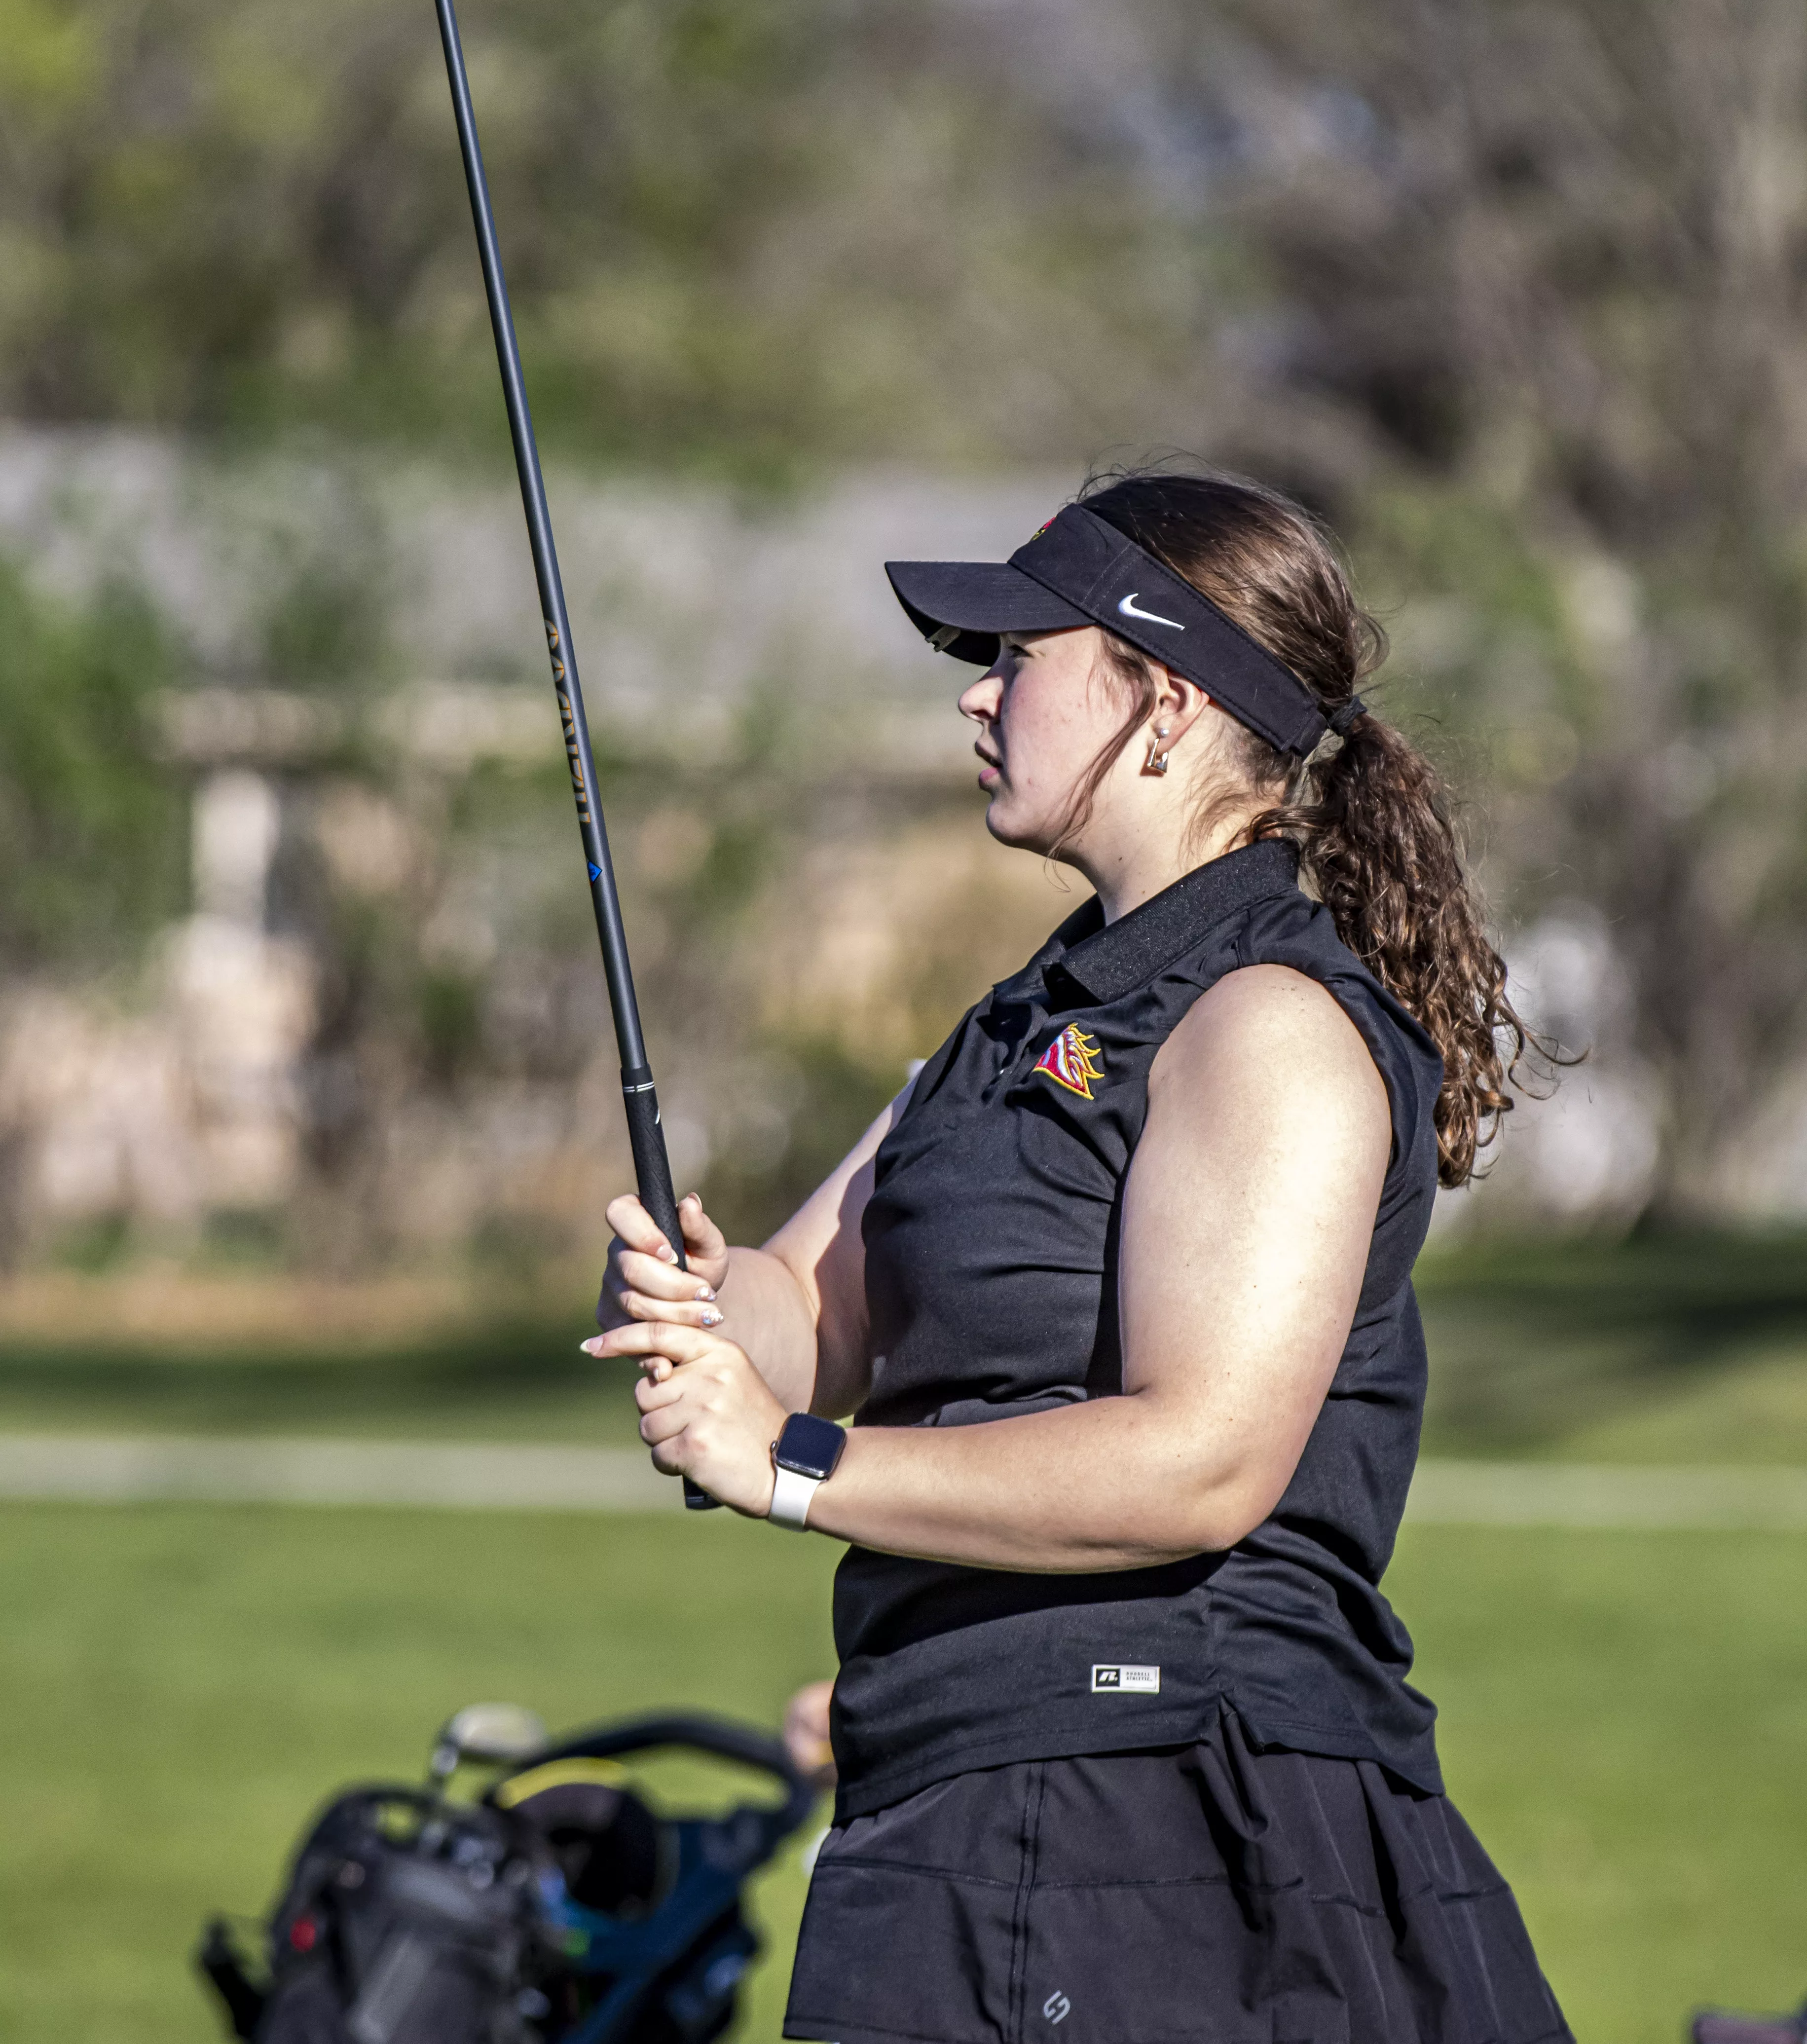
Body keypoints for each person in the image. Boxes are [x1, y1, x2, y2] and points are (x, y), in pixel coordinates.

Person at [584, 470, 1573, 2044]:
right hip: (962, 1800)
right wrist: (695, 1309)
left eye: (1020, 656)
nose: (977, 696)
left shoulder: (1267, 1026)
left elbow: (1203, 1462)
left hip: (1174, 1829)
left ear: (1162, 703)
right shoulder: (1024, 1025)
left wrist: (789, 1463)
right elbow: (805, 1308)